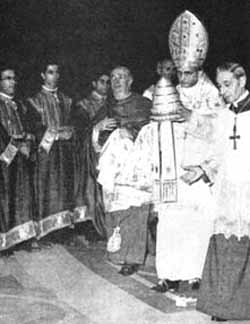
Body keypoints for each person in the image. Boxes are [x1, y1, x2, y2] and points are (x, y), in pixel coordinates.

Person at [152, 10, 223, 292]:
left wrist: (189, 116)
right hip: (171, 169)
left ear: (199, 69)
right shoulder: (166, 88)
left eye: (188, 72)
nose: (181, 77)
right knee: (170, 221)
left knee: (196, 222)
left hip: (197, 171)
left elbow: (219, 131)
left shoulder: (213, 94)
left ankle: (195, 273)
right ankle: (168, 273)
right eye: (179, 71)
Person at [197, 63, 250, 322]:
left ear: (242, 81)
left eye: (227, 84)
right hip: (228, 190)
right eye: (220, 85)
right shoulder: (224, 115)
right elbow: (217, 153)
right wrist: (203, 170)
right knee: (226, 245)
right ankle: (224, 307)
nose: (223, 90)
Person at [93, 66, 152, 275]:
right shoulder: (106, 107)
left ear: (131, 80)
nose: (117, 81)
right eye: (113, 77)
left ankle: (133, 257)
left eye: (122, 76)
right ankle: (117, 252)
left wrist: (131, 131)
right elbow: (94, 140)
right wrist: (97, 128)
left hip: (135, 166)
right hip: (113, 168)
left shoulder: (143, 104)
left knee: (134, 211)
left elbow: (151, 131)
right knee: (115, 209)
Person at [26, 61, 78, 243]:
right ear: (42, 75)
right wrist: (55, 135)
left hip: (64, 153)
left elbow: (74, 125)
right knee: (47, 188)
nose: (54, 76)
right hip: (46, 154)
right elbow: (34, 128)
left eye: (57, 72)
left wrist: (70, 131)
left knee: (64, 189)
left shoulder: (67, 100)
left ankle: (63, 230)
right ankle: (46, 232)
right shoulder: (34, 101)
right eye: (50, 72)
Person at [0, 66, 36, 254]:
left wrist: (29, 139)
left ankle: (20, 238)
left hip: (20, 159)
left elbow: (28, 129)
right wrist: (16, 146)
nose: (12, 82)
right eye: (7, 78)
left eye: (14, 78)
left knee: (21, 197)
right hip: (4, 160)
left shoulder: (20, 105)